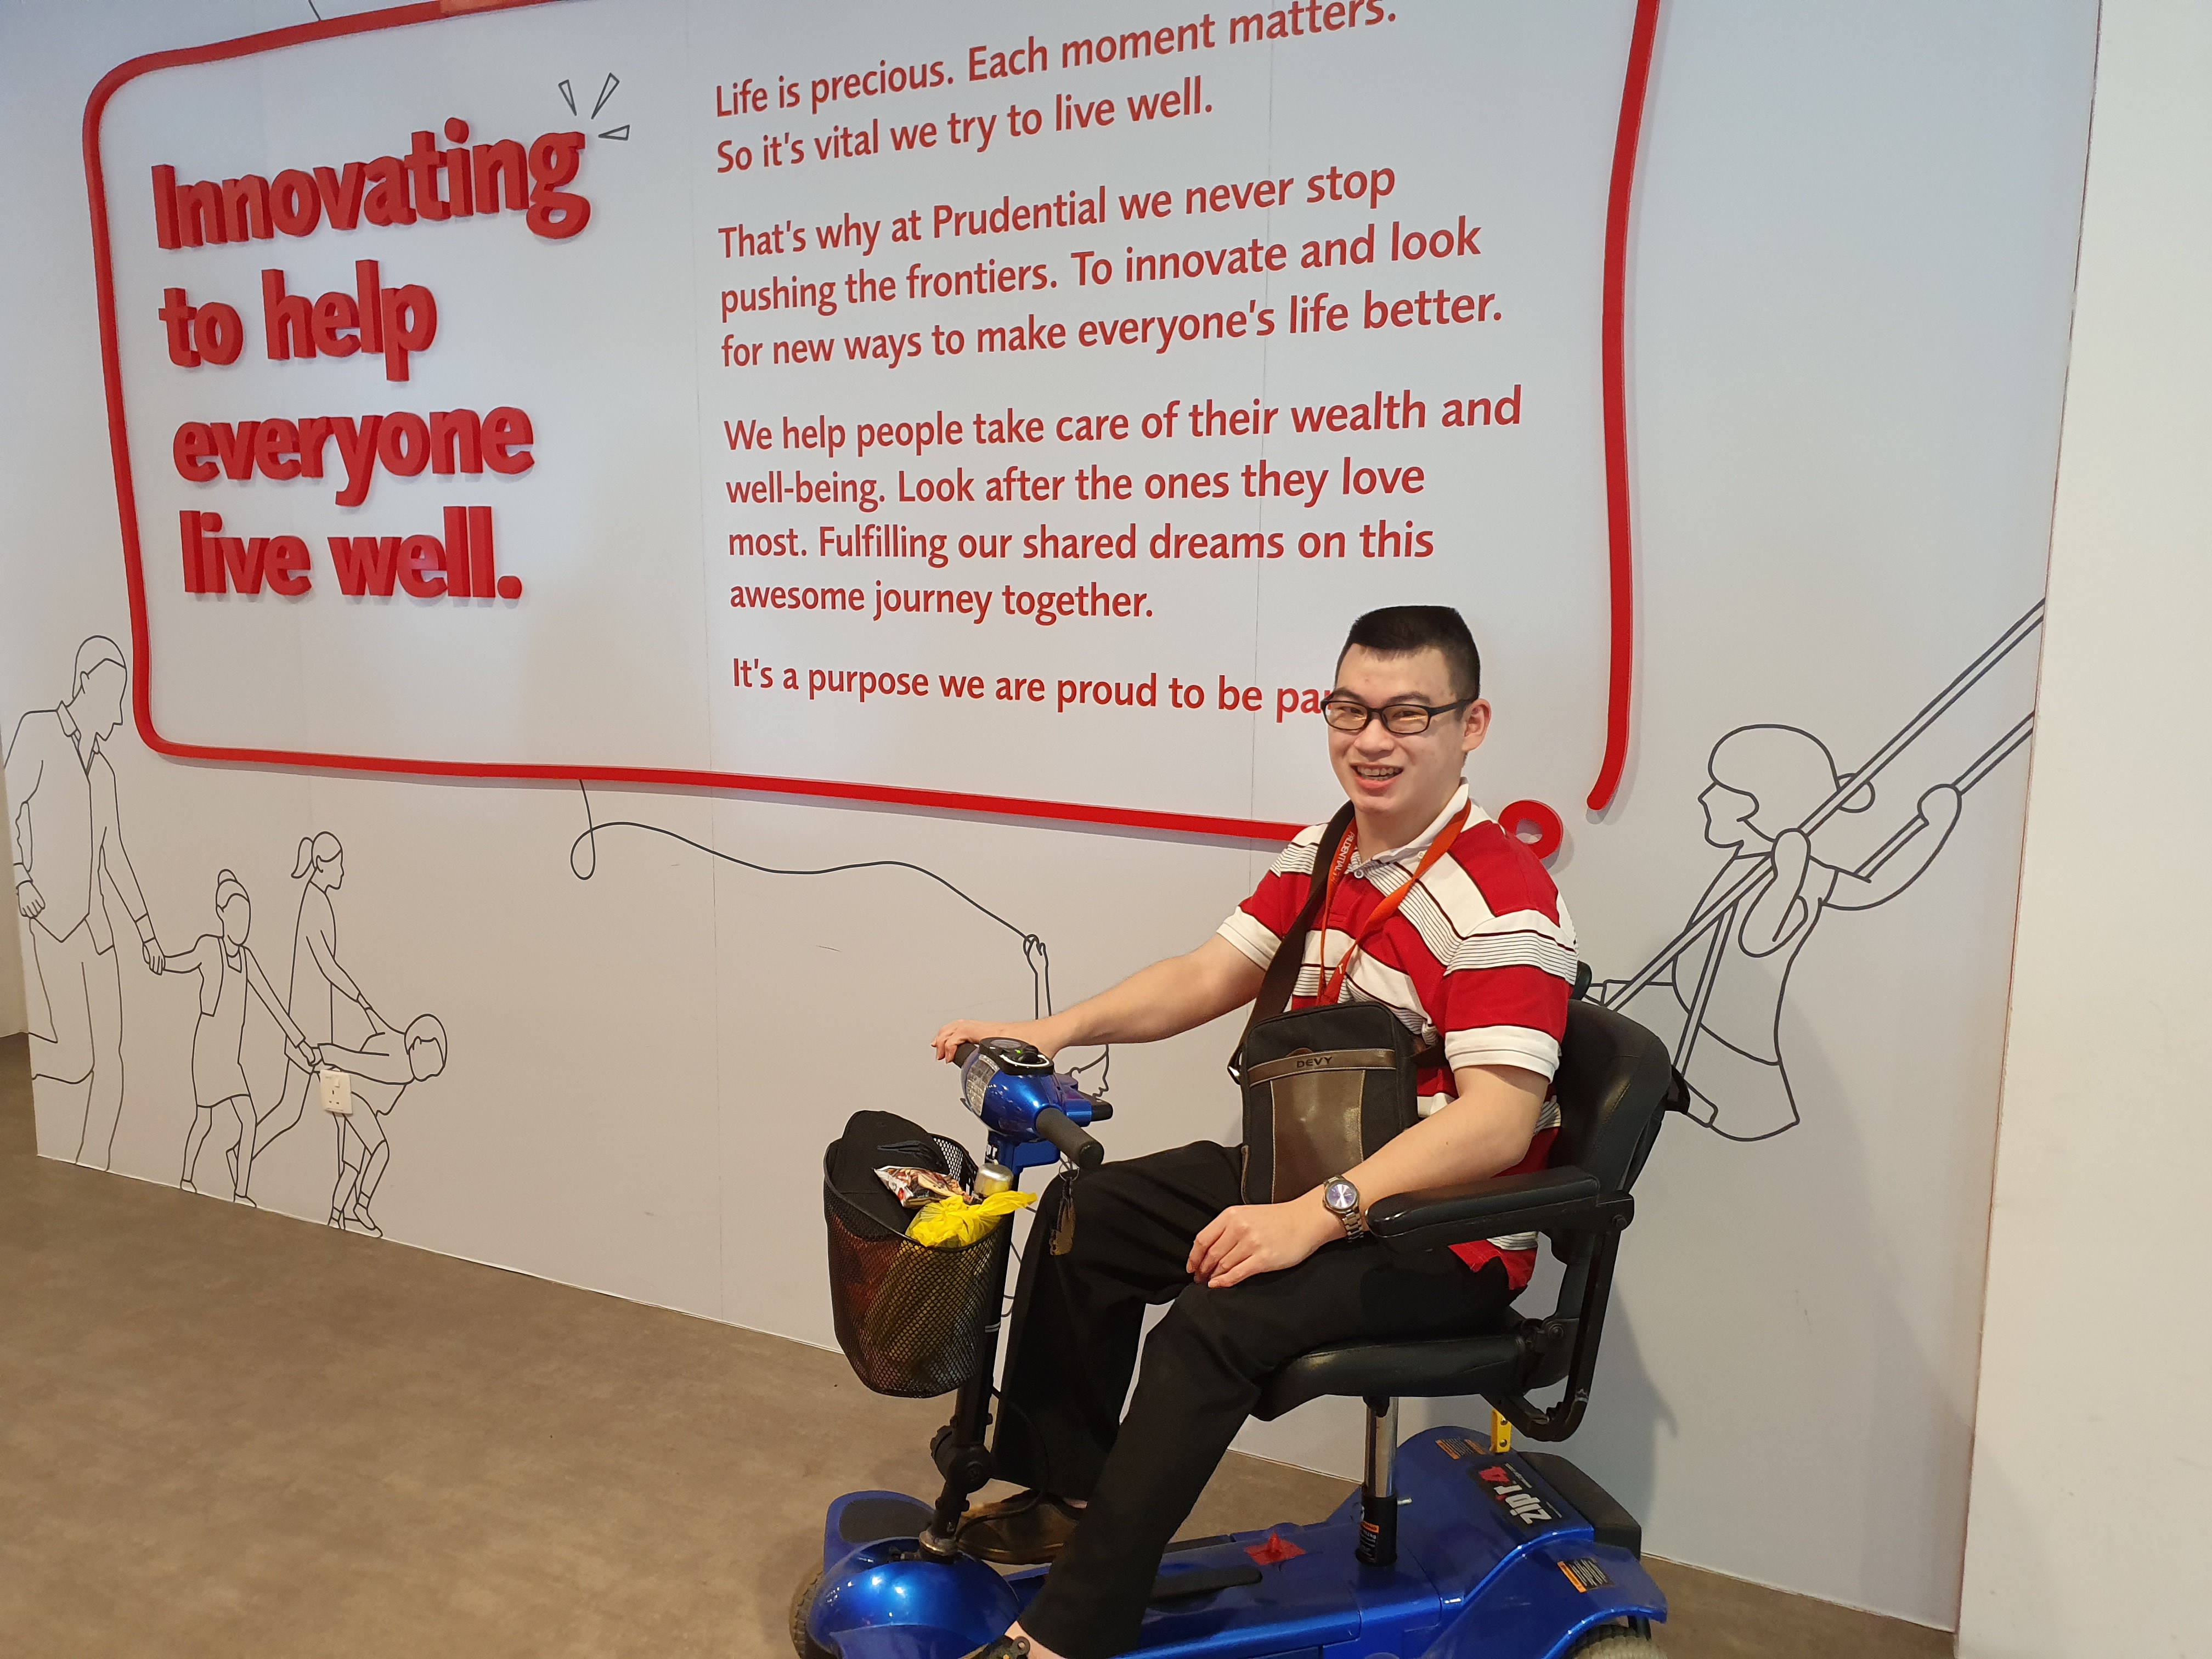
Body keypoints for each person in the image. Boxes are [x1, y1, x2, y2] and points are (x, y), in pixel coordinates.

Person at [930, 607, 1579, 1659]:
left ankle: (1065, 1635)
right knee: (1087, 1208)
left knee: (1211, 1315)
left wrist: (1312, 1218)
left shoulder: (1503, 895)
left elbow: (1499, 1122)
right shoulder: (1329, 845)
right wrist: (1041, 1028)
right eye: (1350, 709)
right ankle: (1075, 1496)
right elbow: (1205, 974)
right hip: (1311, 1174)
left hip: (1435, 1229)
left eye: (1408, 713)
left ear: (1470, 726)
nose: (1372, 738)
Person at [1594, 723, 1961, 1139]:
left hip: (1724, 1048)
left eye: (1719, 788)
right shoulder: (1749, 860)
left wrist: (1930, 828)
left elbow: (1763, 939)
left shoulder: (1799, 874)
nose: (1705, 796)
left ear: (1751, 806)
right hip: (1683, 1011)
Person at [5, 637, 160, 1170]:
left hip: (98, 933)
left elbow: (114, 854)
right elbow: (13, 801)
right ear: (85, 684)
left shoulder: (105, 773)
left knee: (112, 1062)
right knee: (75, 1057)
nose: (118, 715)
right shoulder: (37, 731)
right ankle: (50, 1113)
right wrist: (23, 876)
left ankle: (94, 1163)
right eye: (113, 697)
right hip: (54, 926)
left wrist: (145, 930)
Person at [240, 832, 381, 1200]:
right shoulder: (313, 905)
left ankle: (242, 1154)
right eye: (339, 864)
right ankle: (341, 1206)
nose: (343, 871)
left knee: (297, 1108)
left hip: (314, 1032)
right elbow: (328, 968)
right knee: (337, 1111)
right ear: (322, 865)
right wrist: (364, 1002)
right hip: (312, 1037)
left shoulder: (316, 901)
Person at [163, 871, 317, 1203]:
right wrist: (161, 962)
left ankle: (241, 1193)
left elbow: (274, 1004)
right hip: (207, 1051)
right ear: (222, 915)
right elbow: (184, 962)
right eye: (236, 915)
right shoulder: (210, 948)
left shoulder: (247, 959)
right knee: (204, 1120)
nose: (243, 923)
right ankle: (187, 1177)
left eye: (246, 916)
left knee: (249, 1120)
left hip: (229, 1059)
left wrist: (301, 1042)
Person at [318, 1010, 447, 1238]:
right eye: (428, 1065)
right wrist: (325, 1053)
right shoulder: (399, 1067)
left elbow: (376, 1027)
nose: (426, 1074)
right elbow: (359, 1063)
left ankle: (336, 1216)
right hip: (355, 1097)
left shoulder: (400, 1045)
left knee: (352, 1167)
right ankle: (360, 1206)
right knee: (380, 1150)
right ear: (416, 1045)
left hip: (356, 1098)